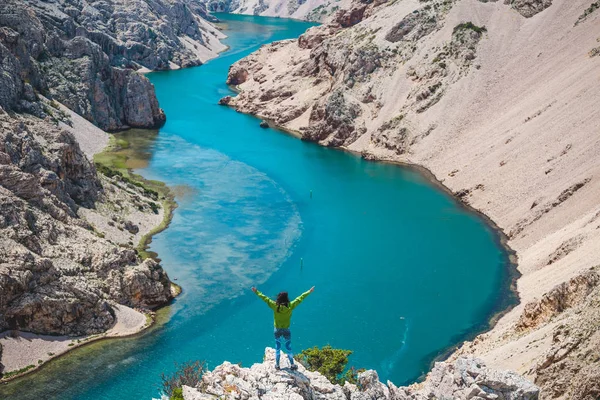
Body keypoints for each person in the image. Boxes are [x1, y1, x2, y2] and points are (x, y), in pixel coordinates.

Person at [252, 286, 315, 370]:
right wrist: (309, 291)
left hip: (277, 329)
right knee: (288, 347)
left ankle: (277, 365)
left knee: (277, 347)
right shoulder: (290, 305)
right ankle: (292, 365)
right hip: (286, 329)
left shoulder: (275, 306)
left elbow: (265, 298)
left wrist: (256, 291)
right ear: (286, 298)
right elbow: (300, 298)